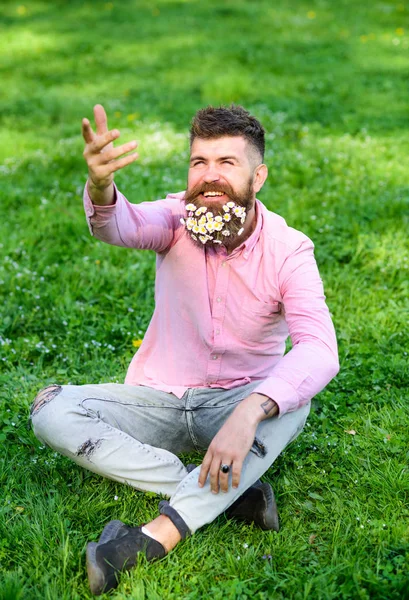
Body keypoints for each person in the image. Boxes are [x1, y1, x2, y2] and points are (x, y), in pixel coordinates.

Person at [30, 104, 339, 595]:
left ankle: (155, 537)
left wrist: (248, 413)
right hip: (161, 399)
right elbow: (119, 225)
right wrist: (99, 187)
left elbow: (320, 349)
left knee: (292, 402)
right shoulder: (175, 218)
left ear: (258, 177)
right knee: (52, 410)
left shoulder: (289, 250)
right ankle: (225, 493)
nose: (210, 176)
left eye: (226, 163)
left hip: (236, 402)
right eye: (200, 163)